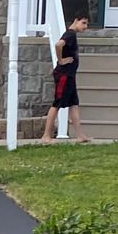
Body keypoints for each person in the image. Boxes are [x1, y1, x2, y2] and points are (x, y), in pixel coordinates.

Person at [40, 14, 91, 143]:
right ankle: (46, 135)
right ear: (76, 20)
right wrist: (61, 60)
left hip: (70, 75)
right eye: (84, 23)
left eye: (87, 24)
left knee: (74, 104)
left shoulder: (71, 35)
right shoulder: (70, 34)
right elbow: (58, 45)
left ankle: (80, 136)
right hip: (64, 75)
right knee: (57, 104)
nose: (86, 27)